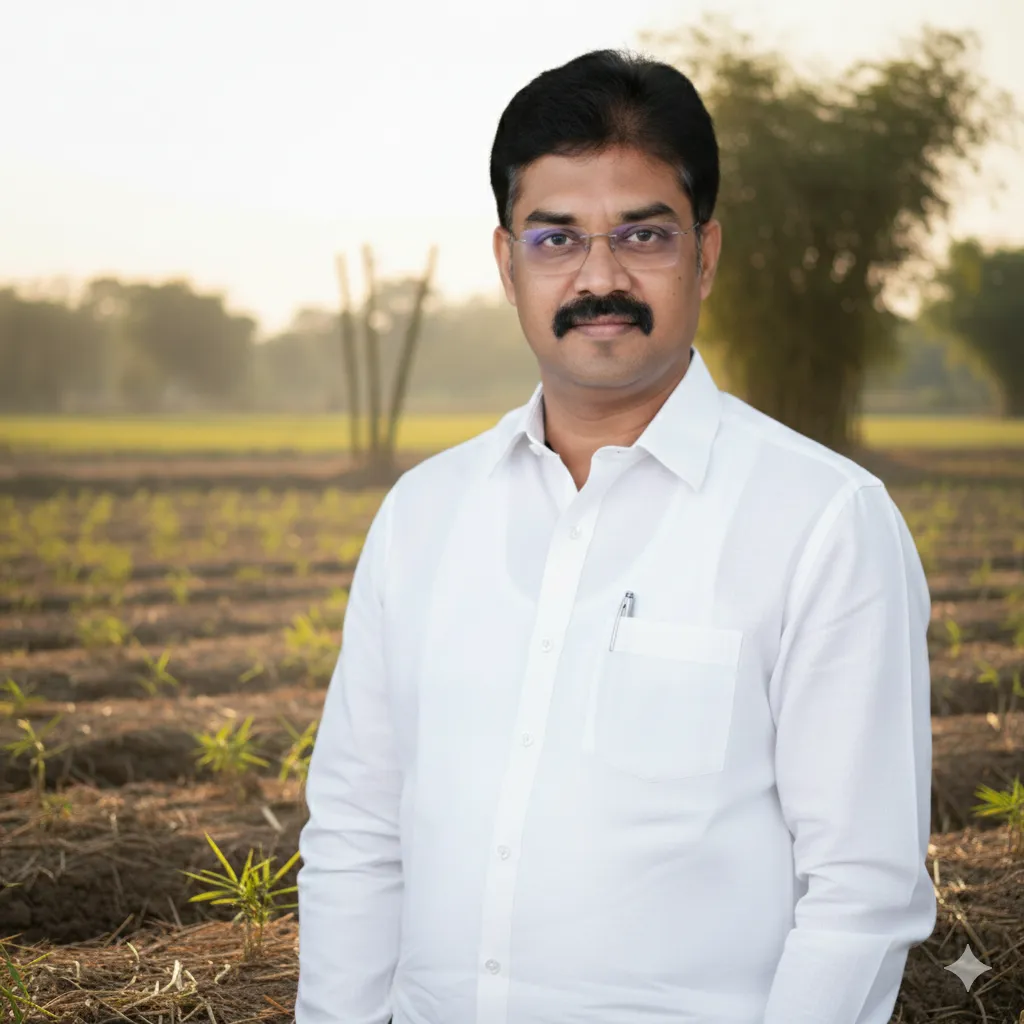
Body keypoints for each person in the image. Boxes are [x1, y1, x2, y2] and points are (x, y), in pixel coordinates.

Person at [295, 48, 936, 1024]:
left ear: (706, 254)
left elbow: (860, 892)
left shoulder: (821, 522)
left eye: (642, 235)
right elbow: (355, 833)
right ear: (507, 263)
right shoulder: (422, 515)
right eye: (555, 240)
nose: (600, 277)